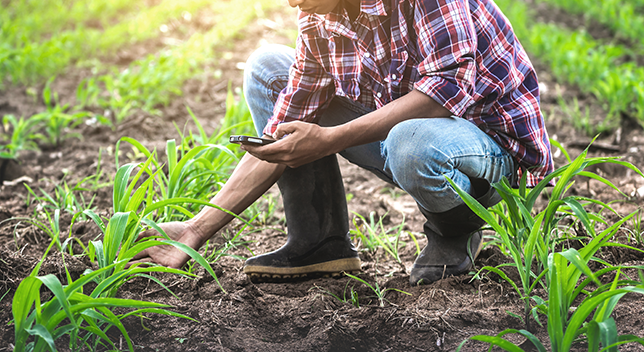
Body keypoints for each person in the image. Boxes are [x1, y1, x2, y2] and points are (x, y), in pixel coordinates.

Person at [131, 0, 554, 286]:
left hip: (494, 153)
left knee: (410, 139)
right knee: (267, 70)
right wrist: (194, 230)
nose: (292, 2)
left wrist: (329, 139)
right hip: (412, 143)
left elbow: (443, 92)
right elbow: (284, 131)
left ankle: (453, 232)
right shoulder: (319, 14)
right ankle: (317, 241)